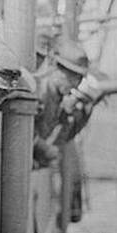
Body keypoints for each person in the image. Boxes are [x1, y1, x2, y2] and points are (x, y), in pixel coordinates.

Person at [33, 37, 90, 167]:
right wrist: (45, 148)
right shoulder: (38, 92)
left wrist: (72, 116)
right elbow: (21, 132)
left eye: (79, 79)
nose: (75, 84)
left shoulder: (59, 99)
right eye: (71, 77)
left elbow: (61, 139)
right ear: (55, 66)